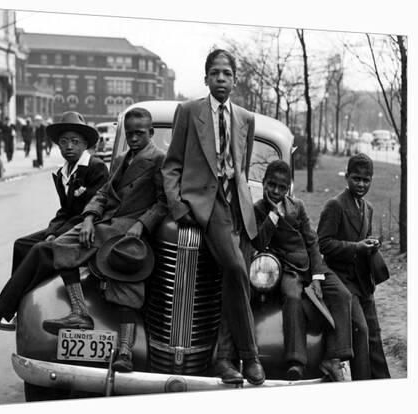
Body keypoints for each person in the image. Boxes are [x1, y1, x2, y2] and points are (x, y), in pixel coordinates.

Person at [0, 108, 167, 372]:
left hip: (124, 232)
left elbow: (162, 202)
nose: (134, 138)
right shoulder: (123, 158)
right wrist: (89, 217)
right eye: (130, 133)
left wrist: (140, 224)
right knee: (51, 248)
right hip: (103, 225)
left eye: (140, 134)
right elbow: (103, 194)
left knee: (50, 250)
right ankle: (28, 315)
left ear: (151, 133)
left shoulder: (159, 159)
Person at [161, 49, 264, 385]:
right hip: (208, 203)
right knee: (236, 270)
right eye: (215, 73)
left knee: (234, 280)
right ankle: (250, 358)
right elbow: (172, 164)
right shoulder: (190, 112)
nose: (221, 79)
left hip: (239, 209)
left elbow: (242, 167)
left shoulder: (245, 118)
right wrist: (179, 207)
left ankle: (224, 358)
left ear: (235, 79)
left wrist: (244, 203)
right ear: (206, 77)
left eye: (227, 73)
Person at [0, 112, 109, 330]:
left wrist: (55, 235)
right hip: (68, 226)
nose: (69, 147)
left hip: (88, 230)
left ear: (85, 144)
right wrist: (52, 229)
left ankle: (1, 311)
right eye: (64, 142)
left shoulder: (96, 168)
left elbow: (91, 211)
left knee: (41, 248)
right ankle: (15, 311)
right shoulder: (63, 172)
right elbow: (64, 211)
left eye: (75, 142)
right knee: (21, 245)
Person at [253, 160, 352, 381]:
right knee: (292, 297)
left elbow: (312, 241)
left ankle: (334, 357)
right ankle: (296, 360)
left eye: (282, 187)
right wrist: (273, 215)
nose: (276, 191)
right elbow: (259, 243)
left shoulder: (298, 206)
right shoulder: (259, 210)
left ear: (289, 188)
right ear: (264, 184)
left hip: (311, 267)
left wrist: (317, 276)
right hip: (288, 268)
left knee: (342, 295)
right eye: (272, 185)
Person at [317, 153, 391, 380]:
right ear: (347, 177)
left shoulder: (367, 208)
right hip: (342, 281)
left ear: (371, 180)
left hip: (363, 281)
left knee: (374, 336)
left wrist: (371, 243)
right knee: (361, 330)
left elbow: (362, 238)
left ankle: (383, 384)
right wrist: (356, 247)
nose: (361, 184)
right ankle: (362, 384)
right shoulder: (335, 205)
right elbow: (323, 243)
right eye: (356, 178)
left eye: (366, 180)